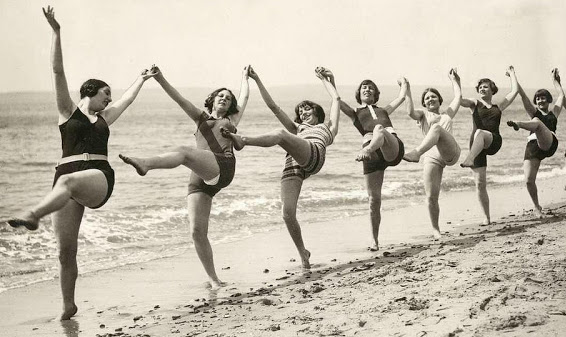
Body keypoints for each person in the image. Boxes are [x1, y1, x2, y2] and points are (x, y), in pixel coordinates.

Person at [7, 6, 155, 320]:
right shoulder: (67, 112)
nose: (109, 98)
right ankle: (67, 306)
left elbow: (127, 100)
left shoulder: (105, 118)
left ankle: (33, 213)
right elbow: (57, 72)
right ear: (89, 92)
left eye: (110, 95)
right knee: (65, 252)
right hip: (66, 177)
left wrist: (141, 80)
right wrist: (56, 33)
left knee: (67, 183)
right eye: (105, 93)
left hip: (98, 176)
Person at [119, 65, 249, 287]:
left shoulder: (231, 120)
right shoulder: (200, 117)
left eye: (228, 98)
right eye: (221, 96)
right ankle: (214, 279)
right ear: (212, 99)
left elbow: (244, 96)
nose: (225, 99)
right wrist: (160, 79)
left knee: (184, 152)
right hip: (201, 175)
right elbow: (179, 99)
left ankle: (146, 164)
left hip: (223, 166)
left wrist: (245, 78)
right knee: (197, 232)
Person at [221, 67, 340, 268]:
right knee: (287, 213)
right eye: (300, 111)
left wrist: (326, 79)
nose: (303, 113)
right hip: (293, 164)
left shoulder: (328, 127)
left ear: (317, 112)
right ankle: (303, 253)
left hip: (314, 154)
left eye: (307, 109)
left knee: (279, 134)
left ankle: (243, 141)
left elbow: (336, 100)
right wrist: (257, 79)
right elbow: (274, 107)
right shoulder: (296, 128)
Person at [333, 76, 408, 251]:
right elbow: (336, 99)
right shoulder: (355, 113)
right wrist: (329, 79)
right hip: (373, 157)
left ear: (376, 93)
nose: (367, 89)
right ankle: (375, 240)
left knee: (378, 129)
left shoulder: (384, 110)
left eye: (370, 88)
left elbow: (401, 97)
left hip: (390, 147)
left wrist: (404, 83)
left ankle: (368, 149)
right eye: (364, 87)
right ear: (359, 93)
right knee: (374, 201)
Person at [403, 69, 462, 239]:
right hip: (432, 156)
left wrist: (455, 80)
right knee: (431, 196)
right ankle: (436, 229)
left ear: (439, 100)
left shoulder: (447, 114)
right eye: (427, 98)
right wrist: (407, 89)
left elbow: (457, 97)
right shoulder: (422, 115)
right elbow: (410, 112)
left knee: (436, 127)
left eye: (433, 96)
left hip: (450, 151)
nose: (430, 99)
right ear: (424, 103)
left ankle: (416, 153)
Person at [459, 66, 519, 225]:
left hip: (493, 141)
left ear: (492, 90)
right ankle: (487, 218)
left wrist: (512, 74)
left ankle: (470, 158)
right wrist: (456, 82)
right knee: (480, 184)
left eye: (485, 86)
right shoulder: (474, 104)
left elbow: (514, 91)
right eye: (479, 87)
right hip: (476, 145)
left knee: (480, 132)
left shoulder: (498, 107)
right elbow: (459, 101)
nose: (482, 89)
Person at [506, 68, 564, 217]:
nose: (540, 100)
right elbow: (522, 94)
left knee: (537, 122)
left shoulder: (553, 113)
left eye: (543, 98)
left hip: (549, 142)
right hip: (533, 145)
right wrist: (513, 75)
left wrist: (555, 81)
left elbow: (562, 96)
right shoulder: (533, 111)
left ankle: (519, 124)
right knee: (528, 180)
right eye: (538, 99)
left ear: (548, 100)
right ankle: (536, 207)